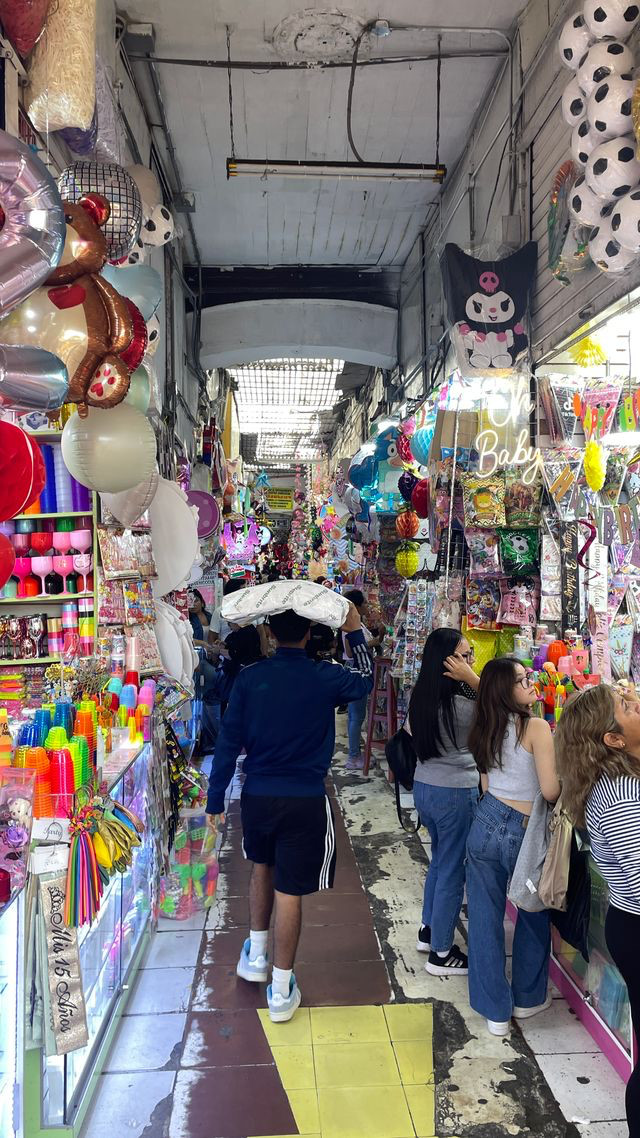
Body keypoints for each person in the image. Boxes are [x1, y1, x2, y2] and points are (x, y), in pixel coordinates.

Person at [206, 601, 373, 1023]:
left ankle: (256, 954)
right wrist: (354, 630)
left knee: (261, 866)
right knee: (290, 891)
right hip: (305, 798)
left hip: (258, 795)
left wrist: (214, 797)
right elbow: (367, 680)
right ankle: (281, 991)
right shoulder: (326, 676)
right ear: (308, 632)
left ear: (272, 632)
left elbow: (227, 742)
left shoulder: (250, 678)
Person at [555, 685, 640, 1138]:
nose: (637, 702)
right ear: (613, 739)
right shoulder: (623, 795)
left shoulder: (623, 780)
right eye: (627, 707)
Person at [466, 657, 559, 1036]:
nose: (532, 684)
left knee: (485, 917)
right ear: (506, 690)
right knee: (533, 910)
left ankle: (494, 1011)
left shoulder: (484, 725)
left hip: (486, 819)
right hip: (524, 828)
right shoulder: (535, 726)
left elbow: (486, 786)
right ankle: (527, 997)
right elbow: (551, 790)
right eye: (522, 680)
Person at [408, 627, 480, 975]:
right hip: (454, 793)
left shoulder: (420, 695)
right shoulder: (465, 705)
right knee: (452, 869)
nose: (470, 662)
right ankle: (441, 952)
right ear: (449, 662)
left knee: (439, 861)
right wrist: (474, 679)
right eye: (465, 656)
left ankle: (428, 929)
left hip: (425, 787)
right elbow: (509, 707)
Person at [341, 589, 380, 769]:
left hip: (356, 670)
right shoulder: (349, 625)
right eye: (363, 603)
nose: (366, 605)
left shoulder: (356, 624)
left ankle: (355, 753)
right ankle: (353, 757)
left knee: (355, 717)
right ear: (355, 606)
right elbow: (351, 651)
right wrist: (377, 640)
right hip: (356, 670)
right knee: (356, 717)